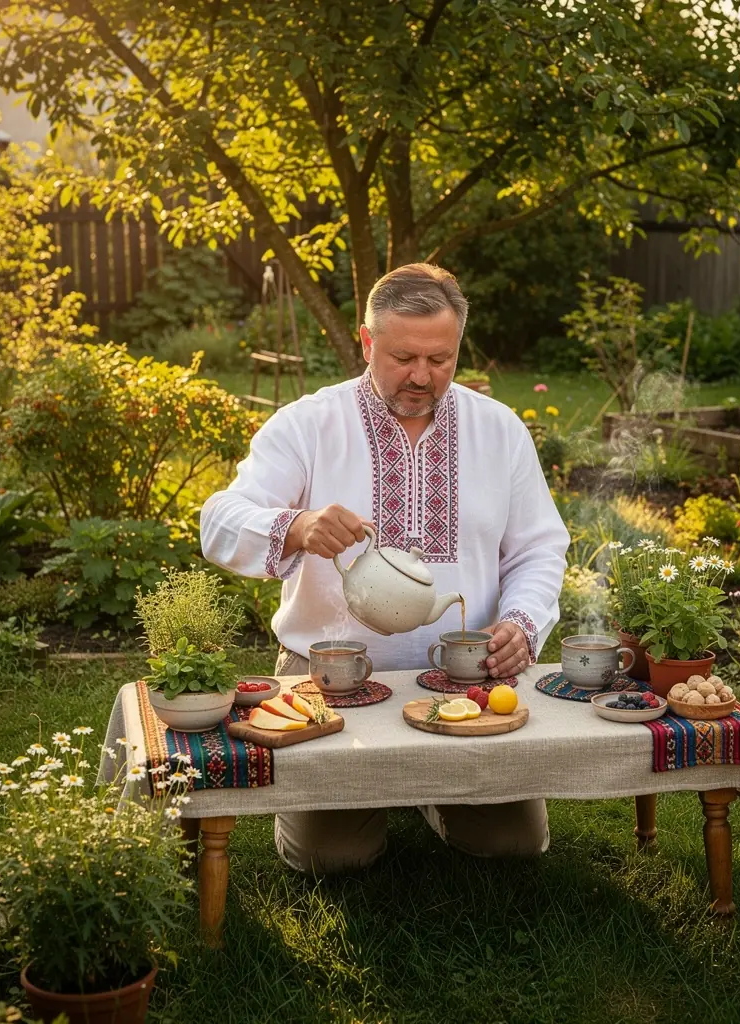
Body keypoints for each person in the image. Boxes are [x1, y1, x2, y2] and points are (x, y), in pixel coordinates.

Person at [200, 263, 569, 874]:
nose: (422, 376)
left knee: (512, 845)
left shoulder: (499, 430)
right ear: (367, 342)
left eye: (440, 359)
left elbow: (538, 547)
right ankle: (384, 791)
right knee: (331, 857)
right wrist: (296, 525)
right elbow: (218, 520)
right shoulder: (310, 424)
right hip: (330, 683)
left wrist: (522, 623)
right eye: (403, 357)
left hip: (465, 682)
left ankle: (426, 787)